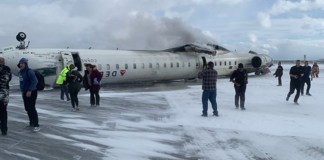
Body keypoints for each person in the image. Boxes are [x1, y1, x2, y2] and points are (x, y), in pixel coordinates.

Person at [17, 58, 40, 132]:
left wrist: (30, 90)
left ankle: (36, 125)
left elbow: (35, 81)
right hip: (24, 92)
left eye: (23, 63)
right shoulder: (20, 72)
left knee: (32, 108)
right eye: (20, 63)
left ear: (26, 64)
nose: (21, 64)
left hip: (32, 92)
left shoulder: (29, 71)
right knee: (27, 108)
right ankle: (31, 123)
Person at [0, 57, 12, 136]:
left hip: (3, 92)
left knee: (3, 111)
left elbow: (7, 79)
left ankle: (3, 129)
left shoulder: (6, 69)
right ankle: (4, 130)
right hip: (5, 92)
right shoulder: (7, 69)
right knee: (3, 112)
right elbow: (9, 79)